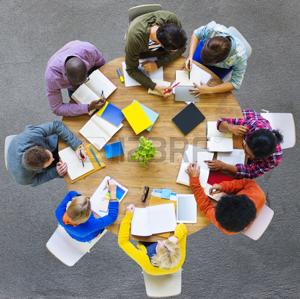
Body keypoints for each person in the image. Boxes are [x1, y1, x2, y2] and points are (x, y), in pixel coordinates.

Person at [186, 163, 266, 234]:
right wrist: (223, 187)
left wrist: (194, 180)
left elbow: (206, 207)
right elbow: (245, 182)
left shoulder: (224, 226)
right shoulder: (259, 194)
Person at [125, 10, 187, 97]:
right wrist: (154, 86)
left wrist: (158, 64)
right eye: (173, 51)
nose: (176, 52)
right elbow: (131, 69)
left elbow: (182, 48)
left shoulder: (172, 20)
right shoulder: (135, 39)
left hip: (158, 55)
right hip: (142, 54)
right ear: (161, 44)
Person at [206, 109, 283, 179]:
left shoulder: (274, 159)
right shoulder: (251, 125)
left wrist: (224, 166)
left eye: (250, 156)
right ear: (248, 137)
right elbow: (220, 121)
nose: (246, 155)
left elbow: (251, 172)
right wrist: (230, 127)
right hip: (249, 117)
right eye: (245, 150)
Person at [7, 120, 86, 187]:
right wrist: (55, 172)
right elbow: (36, 180)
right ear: (39, 169)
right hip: (19, 164)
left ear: (38, 146)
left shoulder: (31, 135)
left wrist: (77, 146)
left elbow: (56, 125)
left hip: (21, 143)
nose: (54, 159)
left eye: (50, 156)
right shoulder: (23, 178)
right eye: (50, 161)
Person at [118, 204, 187, 275]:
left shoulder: (144, 260)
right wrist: (176, 237)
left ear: (157, 256)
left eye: (160, 245)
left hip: (151, 268)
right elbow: (182, 227)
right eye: (166, 241)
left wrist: (128, 216)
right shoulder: (178, 255)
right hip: (171, 269)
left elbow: (123, 242)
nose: (159, 241)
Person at [45, 40, 106, 116]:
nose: (82, 85)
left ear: (86, 65)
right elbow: (57, 108)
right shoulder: (52, 77)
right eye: (76, 84)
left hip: (89, 68)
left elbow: (103, 66)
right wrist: (88, 107)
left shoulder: (89, 51)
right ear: (65, 75)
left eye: (83, 80)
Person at [186, 21, 248, 95]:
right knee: (187, 68)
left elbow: (235, 83)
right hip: (206, 53)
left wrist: (210, 90)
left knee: (210, 86)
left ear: (220, 61)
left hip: (220, 69)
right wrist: (190, 56)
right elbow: (196, 34)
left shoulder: (239, 56)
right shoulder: (213, 30)